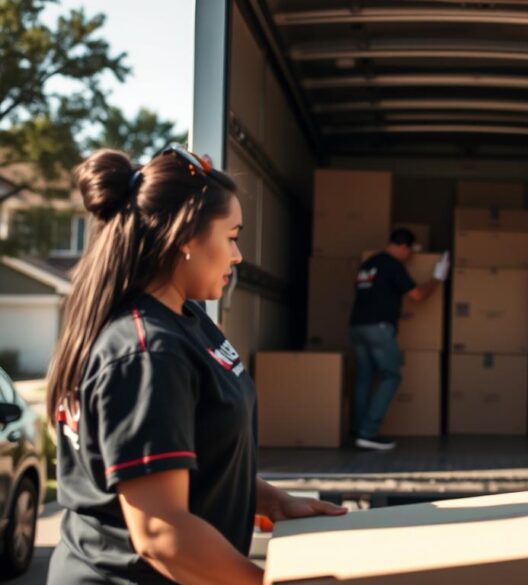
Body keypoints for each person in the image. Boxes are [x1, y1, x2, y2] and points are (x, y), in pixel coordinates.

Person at [46, 146, 347, 584]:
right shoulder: (147, 352)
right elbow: (160, 534)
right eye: (231, 236)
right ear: (187, 237)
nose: (238, 255)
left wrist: (269, 500)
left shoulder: (185, 322)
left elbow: (191, 451)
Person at [348, 229, 449, 451]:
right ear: (404, 247)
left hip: (357, 326)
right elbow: (417, 295)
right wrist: (437, 278)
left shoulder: (369, 264)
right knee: (391, 375)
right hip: (379, 329)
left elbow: (376, 296)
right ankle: (368, 432)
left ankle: (357, 430)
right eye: (410, 252)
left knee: (364, 377)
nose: (410, 257)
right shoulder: (392, 264)